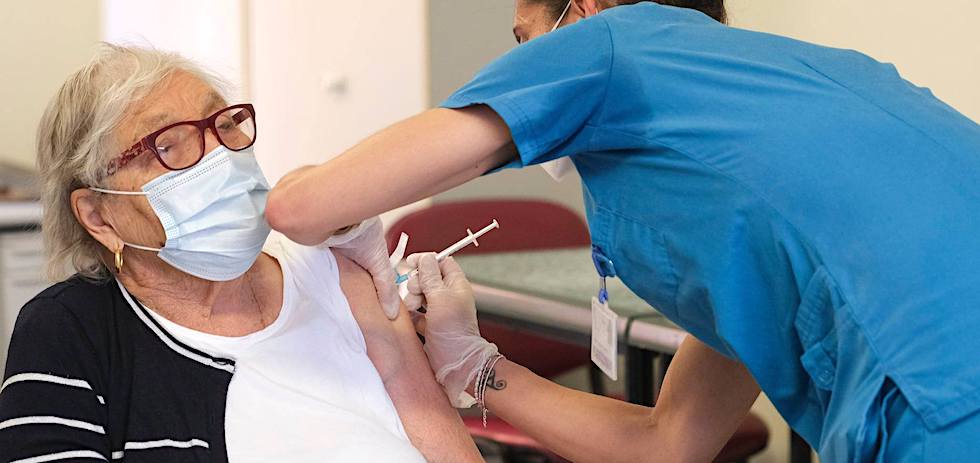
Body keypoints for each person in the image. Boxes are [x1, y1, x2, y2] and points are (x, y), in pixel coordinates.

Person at [266, 0, 980, 461]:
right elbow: (671, 443)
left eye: (525, 44)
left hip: (944, 400)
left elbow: (299, 208)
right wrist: (475, 364)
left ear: (584, 16)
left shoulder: (609, 43)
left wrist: (340, 216)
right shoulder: (773, 122)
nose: (519, 68)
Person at [0, 44, 482, 463]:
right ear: (100, 217)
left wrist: (480, 367)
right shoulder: (69, 331)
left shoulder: (337, 274)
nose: (219, 156)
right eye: (167, 145)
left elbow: (448, 452)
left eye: (224, 124)